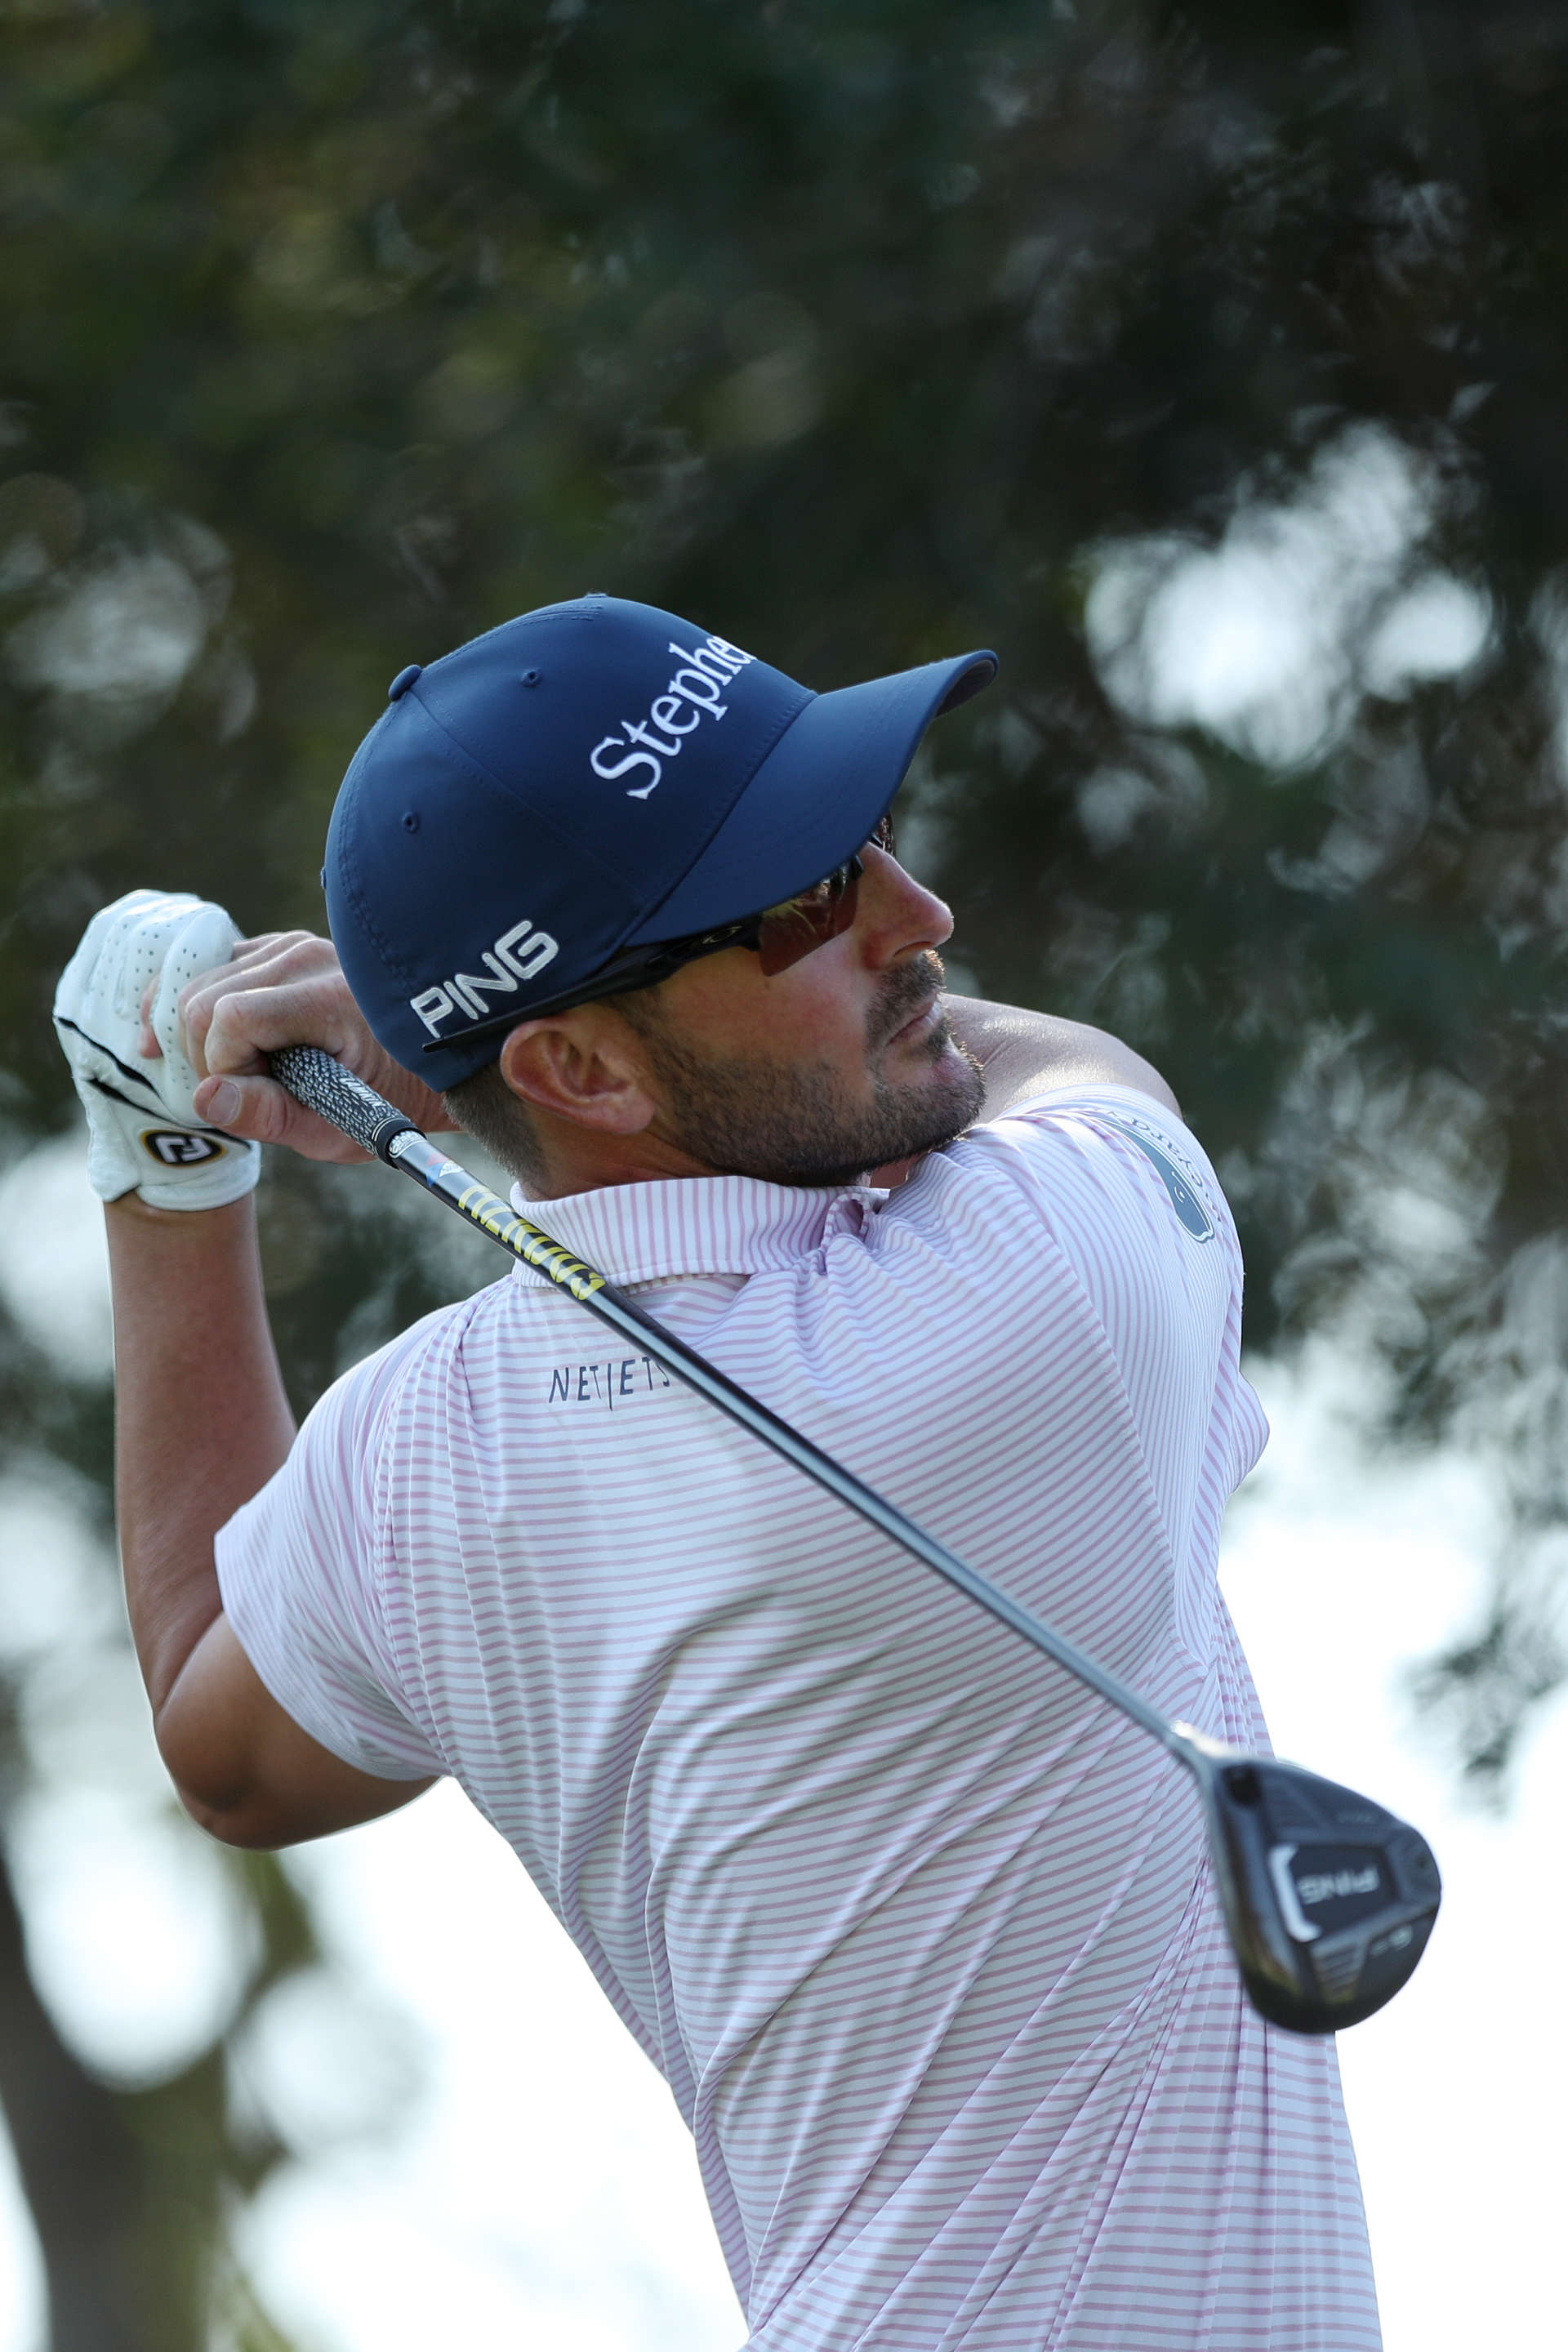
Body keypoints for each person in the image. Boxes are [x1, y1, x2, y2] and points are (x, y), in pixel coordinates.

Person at [55, 595, 1381, 2349]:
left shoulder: (433, 1444)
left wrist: (165, 1175)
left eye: (872, 841)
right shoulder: (1034, 1293)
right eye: (802, 906)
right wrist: (437, 1058)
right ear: (582, 1063)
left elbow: (217, 1735)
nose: (919, 920)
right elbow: (1090, 1075)